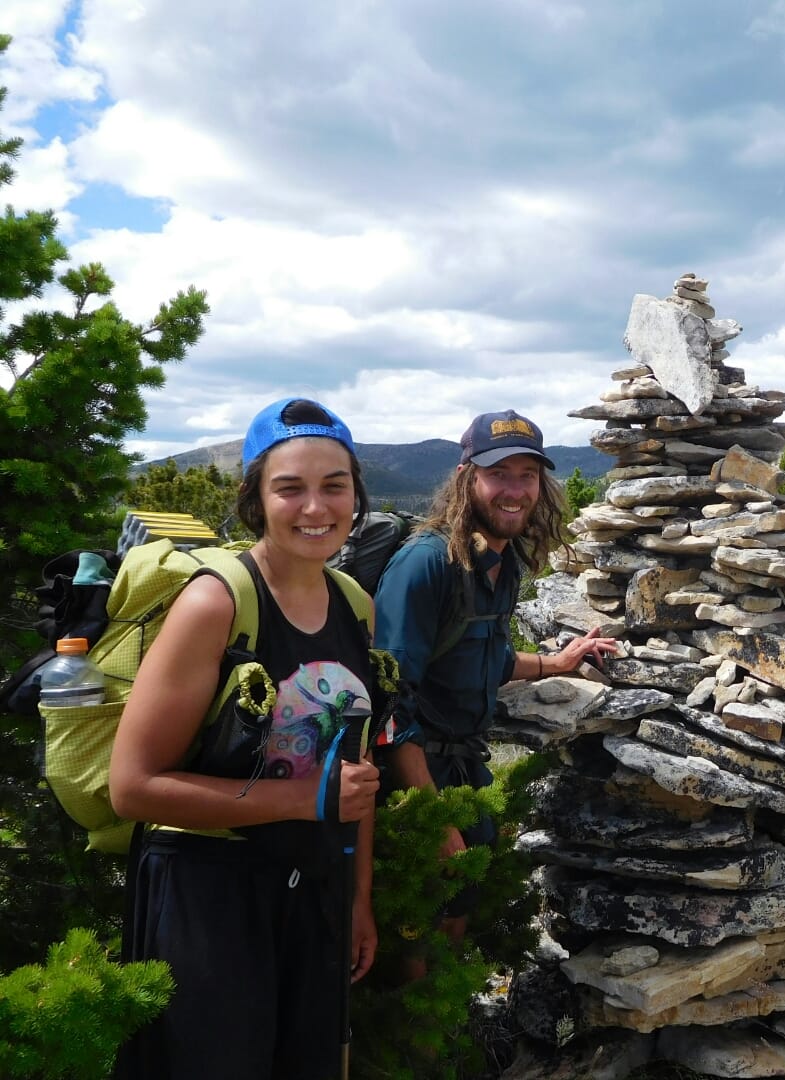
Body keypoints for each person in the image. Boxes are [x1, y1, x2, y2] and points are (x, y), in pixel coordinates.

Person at [111, 398, 383, 1080]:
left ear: (356, 495)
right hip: (208, 896)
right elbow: (133, 786)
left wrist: (356, 899)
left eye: (334, 485)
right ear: (257, 499)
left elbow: (355, 775)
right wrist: (303, 800)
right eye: (289, 487)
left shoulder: (354, 604)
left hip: (312, 887)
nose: (314, 507)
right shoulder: (217, 603)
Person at [373, 409, 617, 956]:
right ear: (467, 478)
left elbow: (482, 656)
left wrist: (554, 664)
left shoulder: (502, 563)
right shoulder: (427, 564)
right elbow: (389, 701)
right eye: (498, 473)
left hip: (464, 770)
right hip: (415, 780)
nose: (514, 490)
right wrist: (432, 818)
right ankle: (424, 1042)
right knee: (420, 934)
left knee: (458, 919)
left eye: (526, 475)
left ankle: (451, 1035)